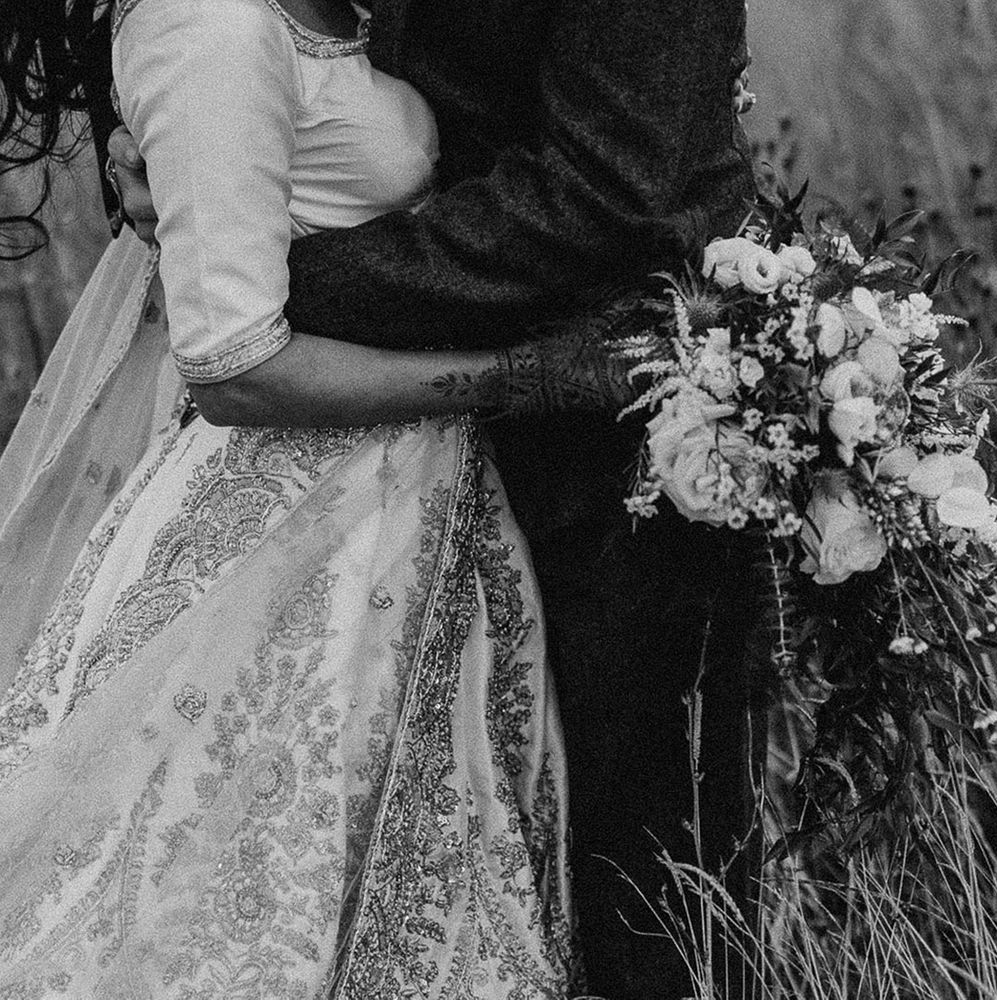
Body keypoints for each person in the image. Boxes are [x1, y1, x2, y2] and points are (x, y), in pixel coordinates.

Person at [109, 1, 762, 996]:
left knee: (636, 876)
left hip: (618, 449)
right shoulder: (211, 27)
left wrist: (284, 268)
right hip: (377, 487)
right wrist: (188, 148)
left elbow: (613, 188)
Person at [0, 0, 636, 994]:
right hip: (282, 528)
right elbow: (235, 370)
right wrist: (515, 375)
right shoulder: (213, 26)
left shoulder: (340, 13)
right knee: (230, 889)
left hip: (415, 509)